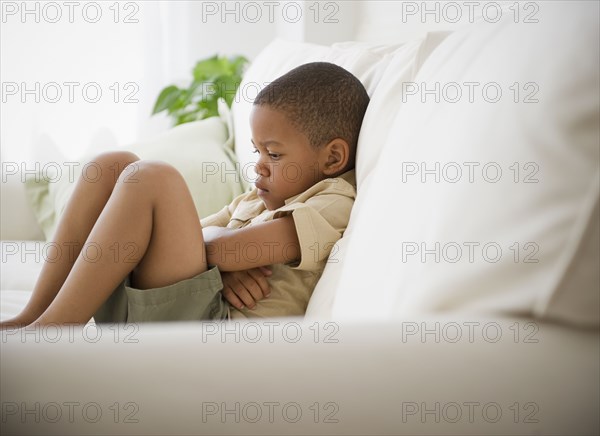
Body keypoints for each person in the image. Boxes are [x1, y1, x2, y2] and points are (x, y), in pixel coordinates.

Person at [0, 62, 369, 328]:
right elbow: (202, 240)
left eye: (274, 154)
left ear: (333, 157)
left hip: (207, 332)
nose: (259, 166)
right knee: (111, 165)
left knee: (152, 176)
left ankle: (53, 331)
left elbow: (224, 248)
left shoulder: (331, 201)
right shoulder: (256, 201)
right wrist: (221, 269)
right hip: (174, 309)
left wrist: (221, 259)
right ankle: (36, 315)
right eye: (256, 152)